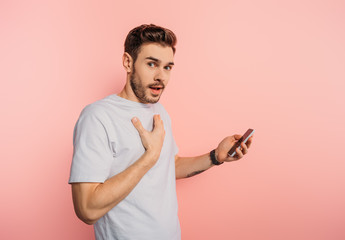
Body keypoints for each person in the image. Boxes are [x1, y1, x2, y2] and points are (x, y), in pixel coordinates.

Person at [69, 24, 253, 240]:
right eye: (151, 64)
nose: (161, 77)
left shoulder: (159, 111)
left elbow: (169, 166)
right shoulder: (97, 117)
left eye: (167, 67)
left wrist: (215, 156)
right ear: (128, 62)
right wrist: (149, 157)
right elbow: (87, 210)